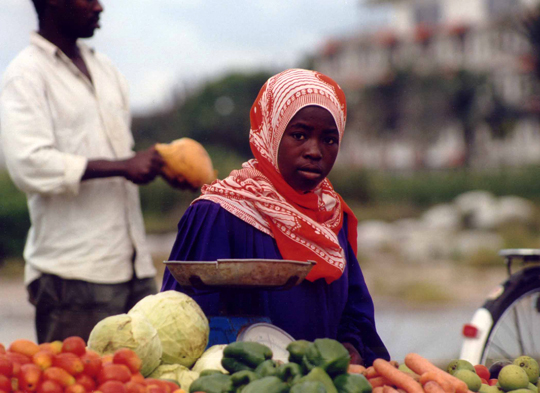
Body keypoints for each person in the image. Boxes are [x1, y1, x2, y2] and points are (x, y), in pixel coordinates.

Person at [161, 68, 390, 366]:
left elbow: (354, 309)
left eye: (329, 140)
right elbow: (182, 320)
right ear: (270, 132)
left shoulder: (332, 216)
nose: (314, 151)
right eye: (299, 135)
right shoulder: (219, 212)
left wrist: (350, 348)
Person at [0, 0, 167, 343]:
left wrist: (153, 167)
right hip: (73, 277)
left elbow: (121, 157)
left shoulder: (104, 68)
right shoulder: (25, 74)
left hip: (134, 267)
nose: (99, 6)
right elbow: (29, 164)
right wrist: (123, 166)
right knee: (78, 381)